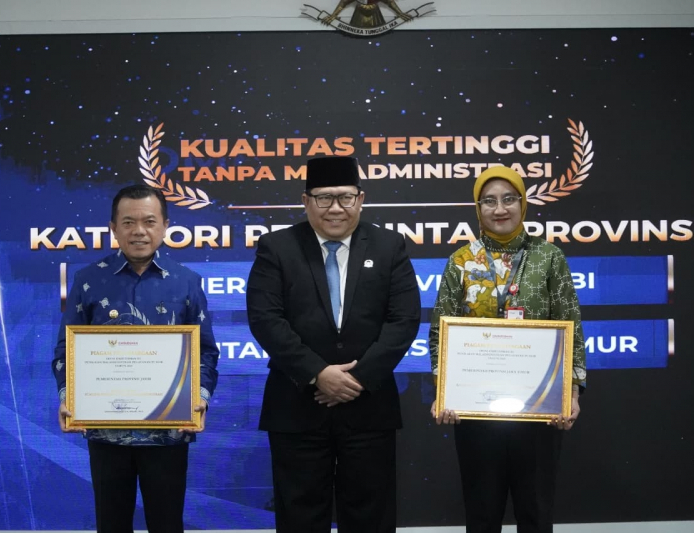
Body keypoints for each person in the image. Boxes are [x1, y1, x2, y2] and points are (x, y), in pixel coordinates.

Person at [246, 155, 421, 533]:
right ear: (306, 201)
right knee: (300, 516)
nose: (336, 208)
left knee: (370, 516)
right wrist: (317, 373)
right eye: (324, 198)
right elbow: (265, 319)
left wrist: (357, 378)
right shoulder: (277, 247)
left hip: (368, 405)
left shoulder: (389, 246)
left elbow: (404, 320)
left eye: (345, 197)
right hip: (297, 405)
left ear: (361, 199)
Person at [51, 184, 219, 533]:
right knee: (111, 524)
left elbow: (205, 349)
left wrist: (200, 398)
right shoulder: (88, 280)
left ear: (165, 226)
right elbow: (66, 349)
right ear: (113, 228)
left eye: (149, 221)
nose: (139, 231)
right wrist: (68, 395)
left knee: (167, 524)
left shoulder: (187, 282)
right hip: (107, 431)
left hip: (169, 429)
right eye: (128, 222)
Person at [428, 165, 587, 533]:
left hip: (540, 408)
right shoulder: (461, 261)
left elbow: (571, 324)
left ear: (523, 203)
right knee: (482, 515)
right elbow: (440, 330)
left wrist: (571, 393)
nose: (499, 209)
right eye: (489, 201)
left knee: (535, 513)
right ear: (478, 208)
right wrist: (443, 391)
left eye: (508, 199)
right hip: (477, 411)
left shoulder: (548, 256)